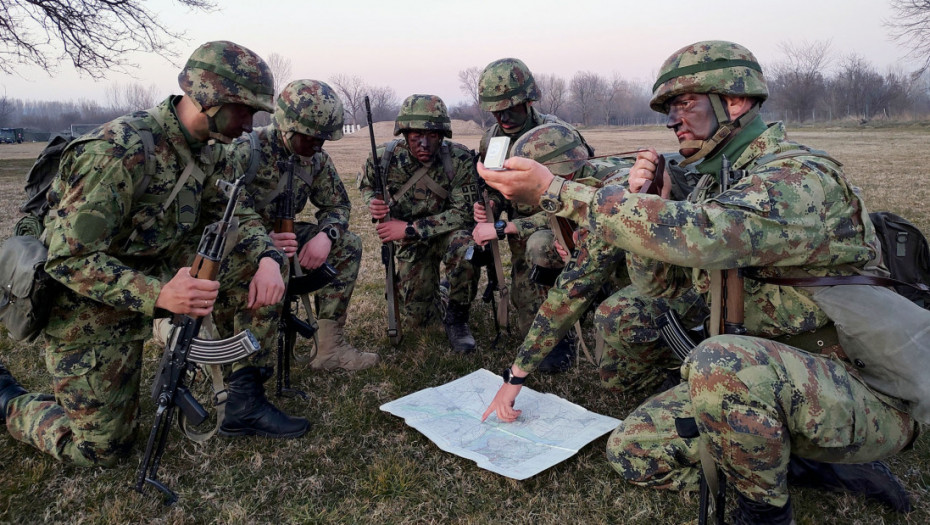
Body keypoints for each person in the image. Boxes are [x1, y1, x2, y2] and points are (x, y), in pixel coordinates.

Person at [479, 40, 915, 523]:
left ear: (736, 101)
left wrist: (556, 192)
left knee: (718, 360)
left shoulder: (796, 176)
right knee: (632, 451)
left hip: (853, 383)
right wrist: (652, 204)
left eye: (685, 103)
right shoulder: (717, 180)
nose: (674, 119)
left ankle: (764, 509)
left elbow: (706, 236)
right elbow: (659, 288)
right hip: (764, 368)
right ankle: (791, 458)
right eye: (669, 109)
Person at [0, 40, 308, 468]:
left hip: (159, 271)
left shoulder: (213, 150)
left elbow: (233, 212)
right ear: (209, 97)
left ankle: (243, 402)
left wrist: (268, 259)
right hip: (88, 303)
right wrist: (161, 295)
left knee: (252, 264)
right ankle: (7, 398)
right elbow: (68, 260)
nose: (250, 123)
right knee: (102, 452)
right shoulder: (118, 151)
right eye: (245, 109)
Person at [221, 79, 379, 371]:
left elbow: (338, 205)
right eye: (310, 137)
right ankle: (246, 363)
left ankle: (329, 349)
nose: (318, 145)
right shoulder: (243, 152)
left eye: (323, 139)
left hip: (287, 240)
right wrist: (263, 242)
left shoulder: (315, 159)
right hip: (238, 244)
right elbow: (221, 212)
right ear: (287, 126)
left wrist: (326, 236)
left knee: (349, 244)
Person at [475, 58, 595, 370]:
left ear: (529, 100)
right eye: (495, 110)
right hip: (517, 227)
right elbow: (493, 184)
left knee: (540, 248)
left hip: (557, 227)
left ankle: (569, 326)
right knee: (524, 303)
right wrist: (490, 206)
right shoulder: (493, 139)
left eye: (510, 108)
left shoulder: (556, 135)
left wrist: (505, 226)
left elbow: (576, 201)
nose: (503, 117)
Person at [359, 94, 479, 353]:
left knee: (465, 247)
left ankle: (458, 319)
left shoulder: (458, 159)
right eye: (415, 136)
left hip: (446, 234)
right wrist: (374, 201)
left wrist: (410, 228)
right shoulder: (384, 158)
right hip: (410, 242)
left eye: (432, 136)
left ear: (442, 135)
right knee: (419, 321)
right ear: (404, 134)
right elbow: (366, 184)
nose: (424, 143)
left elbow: (463, 213)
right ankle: (443, 291)